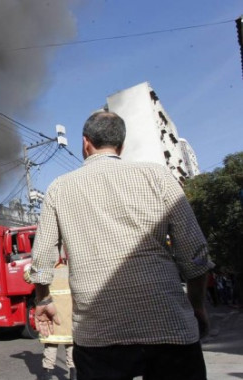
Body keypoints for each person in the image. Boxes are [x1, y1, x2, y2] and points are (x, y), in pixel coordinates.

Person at [27, 111, 213, 380]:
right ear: (121, 146)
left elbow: (42, 259)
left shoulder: (59, 188)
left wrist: (43, 299)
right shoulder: (158, 176)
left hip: (98, 338)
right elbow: (195, 254)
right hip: (171, 328)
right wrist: (197, 306)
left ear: (85, 142)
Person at [25, 254, 75, 380]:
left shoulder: (44, 271)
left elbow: (27, 276)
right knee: (71, 347)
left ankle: (47, 374)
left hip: (50, 316)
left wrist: (31, 267)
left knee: (50, 347)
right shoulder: (69, 269)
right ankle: (74, 375)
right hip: (69, 317)